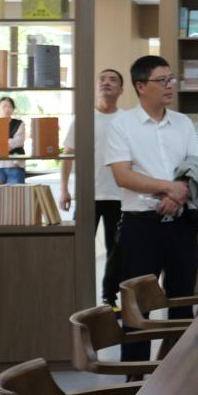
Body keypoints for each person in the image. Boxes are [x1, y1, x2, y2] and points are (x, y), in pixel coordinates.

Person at [106, 55, 198, 361]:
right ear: (140, 86)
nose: (170, 85)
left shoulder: (183, 123)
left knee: (182, 303)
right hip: (141, 226)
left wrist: (177, 195)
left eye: (171, 79)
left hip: (182, 224)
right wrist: (168, 187)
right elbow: (123, 175)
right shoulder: (122, 124)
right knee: (137, 307)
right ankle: (134, 379)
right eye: (162, 80)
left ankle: (179, 373)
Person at [60, 69, 127, 308]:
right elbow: (68, 155)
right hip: (88, 194)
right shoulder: (83, 118)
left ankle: (109, 298)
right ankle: (78, 297)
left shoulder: (127, 120)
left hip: (119, 196)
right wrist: (64, 189)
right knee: (81, 248)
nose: (106, 83)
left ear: (121, 90)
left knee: (116, 250)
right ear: (96, 86)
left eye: (113, 80)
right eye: (102, 79)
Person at [0, 96, 26, 185]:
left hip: (15, 165)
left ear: (13, 109)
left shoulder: (19, 123)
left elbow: (19, 141)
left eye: (10, 106)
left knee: (15, 192)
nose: (7, 109)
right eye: (4, 106)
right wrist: (7, 143)